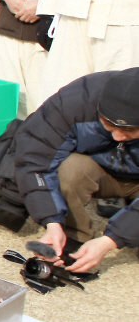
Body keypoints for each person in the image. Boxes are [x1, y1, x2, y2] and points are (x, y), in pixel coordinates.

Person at [15, 68, 139, 274]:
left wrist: (110, 241)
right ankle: (75, 236)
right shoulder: (75, 102)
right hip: (101, 169)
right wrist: (52, 222)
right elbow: (35, 160)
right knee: (70, 169)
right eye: (109, 124)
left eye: (129, 131)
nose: (117, 137)